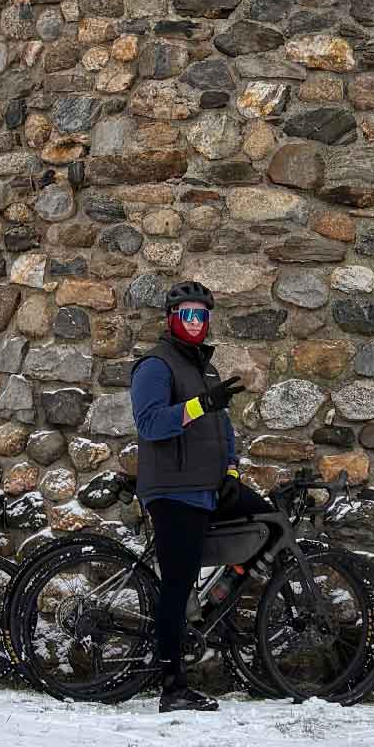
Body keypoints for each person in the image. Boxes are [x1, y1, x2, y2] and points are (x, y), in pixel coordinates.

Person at [127, 278, 254, 714]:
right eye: (189, 315)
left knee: (269, 522)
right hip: (174, 490)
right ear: (172, 319)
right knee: (176, 587)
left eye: (202, 315)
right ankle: (172, 686)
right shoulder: (155, 365)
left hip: (208, 485)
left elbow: (224, 430)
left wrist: (232, 470)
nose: (196, 322)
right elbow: (150, 424)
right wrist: (203, 402)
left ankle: (210, 606)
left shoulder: (206, 367)